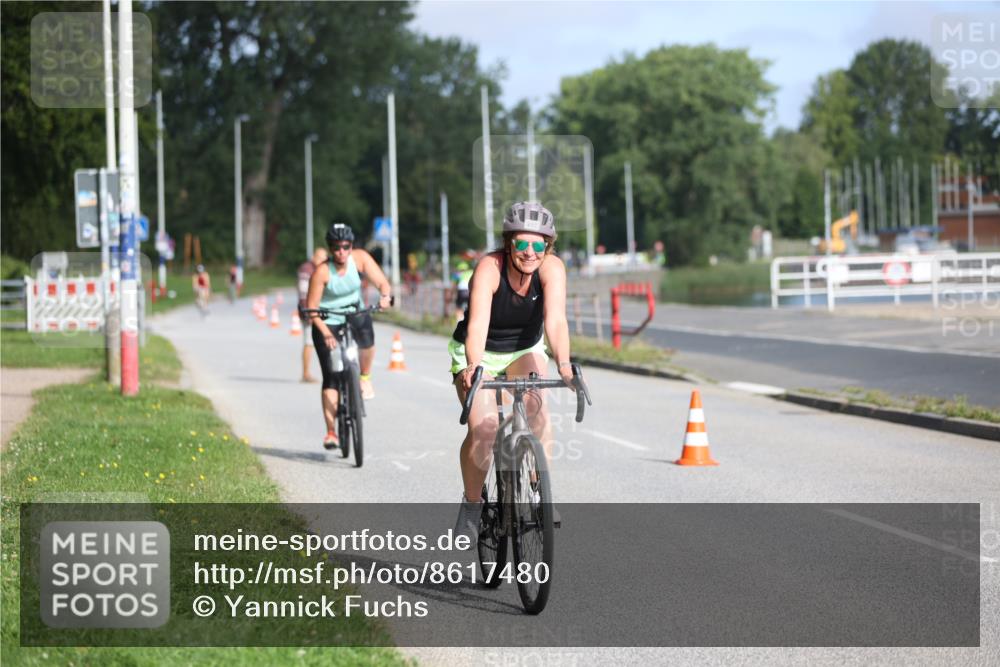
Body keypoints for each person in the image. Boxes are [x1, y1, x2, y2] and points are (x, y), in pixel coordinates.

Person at [449, 201, 572, 544]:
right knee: (486, 430)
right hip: (480, 350)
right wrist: (474, 366)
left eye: (538, 245)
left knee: (537, 408)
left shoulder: (552, 269)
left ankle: (538, 494)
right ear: (508, 243)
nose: (530, 252)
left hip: (523, 349)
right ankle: (472, 505)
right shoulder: (489, 268)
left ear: (548, 246)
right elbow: (476, 325)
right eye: (522, 243)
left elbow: (556, 320)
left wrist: (564, 364)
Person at [306, 223, 392, 449]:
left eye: (345, 247)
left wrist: (384, 296)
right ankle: (331, 432)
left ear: (351, 246)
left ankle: (364, 377)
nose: (341, 251)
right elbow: (311, 308)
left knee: (367, 333)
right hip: (327, 320)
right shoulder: (322, 272)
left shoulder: (361, 258)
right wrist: (325, 333)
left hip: (354, 311)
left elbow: (382, 282)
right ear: (330, 248)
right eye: (336, 247)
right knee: (331, 377)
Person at [297, 248, 329, 383]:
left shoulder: (323, 269)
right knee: (309, 343)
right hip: (309, 313)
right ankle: (305, 373)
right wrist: (309, 313)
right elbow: (303, 294)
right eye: (320, 257)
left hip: (323, 312)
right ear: (314, 257)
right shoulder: (307, 269)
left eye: (324, 258)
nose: (322, 260)